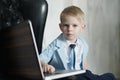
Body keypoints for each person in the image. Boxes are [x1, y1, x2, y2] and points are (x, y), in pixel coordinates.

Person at [39, 6, 116, 80]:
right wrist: (45, 65)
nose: (70, 29)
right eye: (66, 25)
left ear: (82, 27)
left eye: (74, 25)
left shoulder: (83, 44)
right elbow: (39, 60)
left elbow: (84, 62)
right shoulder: (55, 45)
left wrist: (86, 73)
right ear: (61, 27)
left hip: (80, 73)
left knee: (104, 75)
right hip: (64, 76)